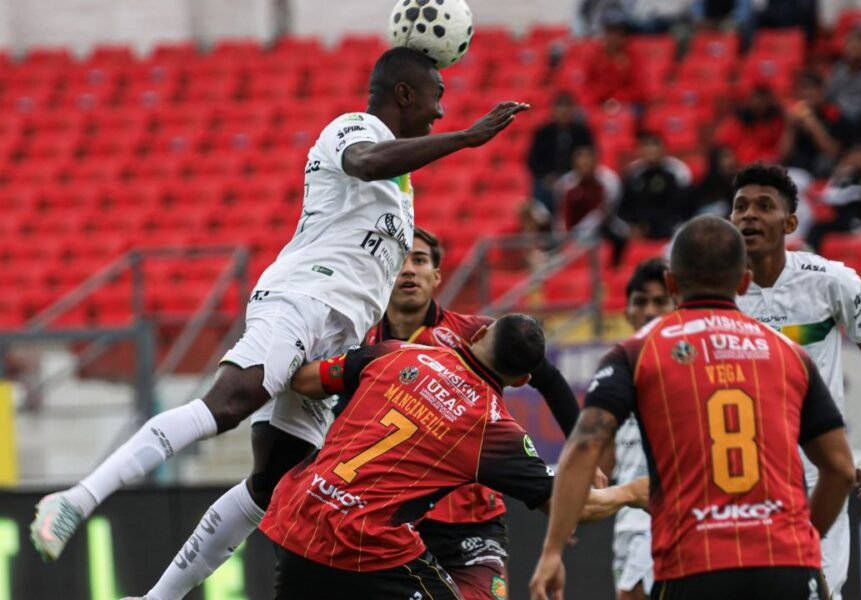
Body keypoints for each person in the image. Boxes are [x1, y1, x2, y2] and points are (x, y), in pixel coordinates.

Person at [32, 47, 530, 599]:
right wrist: (465, 138)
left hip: (338, 335)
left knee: (272, 484)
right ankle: (76, 498)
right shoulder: (353, 127)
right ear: (405, 94)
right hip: (300, 298)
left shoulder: (403, 194)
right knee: (229, 402)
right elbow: (366, 161)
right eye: (437, 99)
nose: (441, 113)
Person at [530, 215, 857, 600]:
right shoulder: (791, 354)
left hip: (694, 564)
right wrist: (804, 539)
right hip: (784, 562)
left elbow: (585, 445)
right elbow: (840, 468)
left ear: (671, 285)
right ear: (743, 283)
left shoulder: (637, 351)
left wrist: (552, 551)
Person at [290, 226, 586, 598]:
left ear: (436, 275)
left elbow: (550, 380)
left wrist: (583, 451)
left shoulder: (478, 334)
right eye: (401, 261)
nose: (410, 270)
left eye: (420, 260)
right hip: (389, 518)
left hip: (469, 519)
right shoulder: (361, 338)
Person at [262, 314, 646, 599]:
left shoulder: (396, 353)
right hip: (363, 539)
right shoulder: (492, 428)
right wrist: (633, 492)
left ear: (478, 336)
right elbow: (577, 505)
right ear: (521, 380)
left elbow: (305, 380)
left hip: (297, 513)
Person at [730, 164, 861, 599]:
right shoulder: (715, 291)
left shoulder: (831, 281)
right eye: (740, 206)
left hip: (816, 472)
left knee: (815, 591)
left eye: (764, 206)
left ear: (790, 223)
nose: (749, 215)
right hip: (736, 475)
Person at [597, 258, 675, 600]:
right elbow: (603, 459)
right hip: (627, 519)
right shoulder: (617, 371)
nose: (649, 311)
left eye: (660, 301)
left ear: (677, 306)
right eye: (641, 301)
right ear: (627, 311)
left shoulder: (689, 365)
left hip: (669, 513)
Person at [553, 145, 629, 265]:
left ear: (596, 161)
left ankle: (614, 267)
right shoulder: (565, 183)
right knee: (554, 243)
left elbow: (603, 212)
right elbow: (562, 214)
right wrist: (564, 237)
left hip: (605, 227)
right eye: (581, 161)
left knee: (621, 237)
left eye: (588, 160)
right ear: (574, 164)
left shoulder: (609, 180)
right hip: (574, 229)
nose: (584, 163)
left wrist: (580, 233)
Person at [806, 144, 861, 250]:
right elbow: (830, 195)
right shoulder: (850, 174)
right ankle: (810, 255)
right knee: (817, 228)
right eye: (858, 157)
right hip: (847, 220)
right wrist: (839, 176)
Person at [526, 92, 595, 211]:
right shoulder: (543, 133)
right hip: (547, 178)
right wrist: (547, 176)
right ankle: (544, 221)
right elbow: (533, 160)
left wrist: (571, 177)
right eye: (560, 108)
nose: (563, 112)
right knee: (540, 191)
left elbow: (589, 156)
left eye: (567, 108)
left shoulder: (582, 132)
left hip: (574, 178)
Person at [619, 133, 693, 239]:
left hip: (669, 229)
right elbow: (624, 209)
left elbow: (683, 207)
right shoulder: (632, 174)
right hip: (639, 230)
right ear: (639, 150)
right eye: (646, 146)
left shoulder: (677, 172)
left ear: (663, 149)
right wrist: (633, 226)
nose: (650, 150)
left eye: (654, 145)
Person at [780, 71, 851, 179]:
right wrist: (791, 128)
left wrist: (813, 125)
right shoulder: (796, 115)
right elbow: (784, 155)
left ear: (822, 91)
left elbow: (833, 152)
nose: (808, 94)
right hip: (799, 171)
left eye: (812, 89)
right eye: (804, 89)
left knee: (824, 162)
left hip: (825, 173)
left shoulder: (834, 114)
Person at [713, 83, 786, 166]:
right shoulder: (737, 121)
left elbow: (784, 149)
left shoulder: (776, 120)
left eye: (762, 98)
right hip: (743, 169)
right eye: (755, 98)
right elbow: (723, 145)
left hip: (772, 167)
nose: (759, 102)